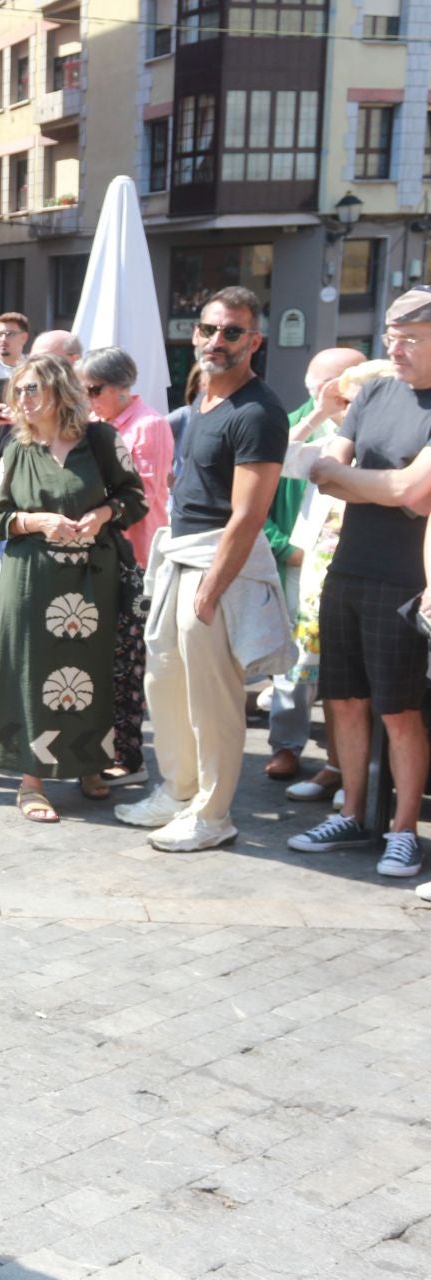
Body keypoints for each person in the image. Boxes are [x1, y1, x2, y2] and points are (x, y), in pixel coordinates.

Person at [115, 287, 289, 851]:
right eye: (209, 329)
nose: (218, 341)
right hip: (179, 555)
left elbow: (249, 514)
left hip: (215, 562)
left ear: (254, 342)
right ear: (194, 334)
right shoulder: (201, 404)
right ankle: (179, 789)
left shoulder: (258, 412)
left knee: (212, 698)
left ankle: (213, 814)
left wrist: (212, 590)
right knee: (163, 680)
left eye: (232, 332)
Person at [285, 289, 431, 877]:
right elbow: (324, 472)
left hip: (407, 578)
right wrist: (381, 486)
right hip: (347, 566)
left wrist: (363, 481)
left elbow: (412, 491)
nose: (395, 349)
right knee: (342, 699)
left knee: (399, 710)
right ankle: (350, 814)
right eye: (391, 338)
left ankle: (403, 830)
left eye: (411, 339)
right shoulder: (373, 391)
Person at [0, 355, 148, 824]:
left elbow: (135, 497)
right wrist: (37, 521)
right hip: (32, 580)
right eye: (18, 390)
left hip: (93, 578)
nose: (23, 399)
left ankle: (88, 763)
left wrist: (101, 515)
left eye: (32, 388)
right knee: (33, 673)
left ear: (59, 390)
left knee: (90, 672)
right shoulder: (17, 446)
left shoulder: (101, 439)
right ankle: (30, 780)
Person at [278, 357, 387, 808]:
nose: (347, 405)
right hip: (321, 575)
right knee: (333, 681)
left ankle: (367, 778)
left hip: (374, 574)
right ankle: (338, 767)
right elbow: (282, 458)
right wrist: (319, 413)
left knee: (367, 687)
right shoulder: (333, 441)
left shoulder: (390, 443)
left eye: (353, 398)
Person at [262, 347, 367, 784]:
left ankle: (347, 764)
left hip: (361, 564)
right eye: (315, 385)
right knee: (298, 658)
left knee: (349, 669)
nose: (321, 393)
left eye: (331, 384)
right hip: (306, 562)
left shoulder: (374, 423)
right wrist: (286, 549)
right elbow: (275, 462)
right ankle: (287, 745)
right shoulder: (302, 422)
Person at [81, 347, 175, 786]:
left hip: (135, 558)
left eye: (93, 389)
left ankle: (129, 758)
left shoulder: (149, 425)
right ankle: (101, 749)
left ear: (121, 388)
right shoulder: (99, 424)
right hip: (104, 556)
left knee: (127, 662)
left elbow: (144, 494)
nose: (87, 398)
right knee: (105, 659)